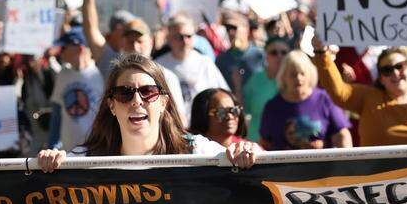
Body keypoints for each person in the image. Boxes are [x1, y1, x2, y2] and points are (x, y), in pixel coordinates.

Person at [36, 54, 255, 170]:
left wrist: (246, 155)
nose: (136, 101)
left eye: (148, 92)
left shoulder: (196, 151)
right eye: (124, 93)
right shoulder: (84, 161)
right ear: (111, 105)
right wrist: (51, 165)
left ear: (164, 103)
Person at [313, 30, 407, 146]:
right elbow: (338, 92)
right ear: (381, 78)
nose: (395, 73)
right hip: (376, 179)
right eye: (387, 70)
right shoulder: (368, 98)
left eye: (400, 66)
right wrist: (322, 53)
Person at [261, 50, 352, 151]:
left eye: (302, 74)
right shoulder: (272, 106)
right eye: (293, 74)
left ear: (310, 75)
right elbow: (264, 143)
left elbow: (342, 135)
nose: (298, 78)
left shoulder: (324, 99)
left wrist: (345, 157)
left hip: (321, 160)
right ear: (283, 77)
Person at [157, 14, 230, 122]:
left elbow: (224, 94)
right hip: (172, 125)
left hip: (203, 124)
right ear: (169, 39)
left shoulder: (205, 63)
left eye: (189, 36)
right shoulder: (159, 65)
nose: (185, 41)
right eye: (179, 37)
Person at [48, 28, 105, 151]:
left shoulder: (100, 75)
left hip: (94, 150)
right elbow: (57, 114)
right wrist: (52, 146)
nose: (60, 52)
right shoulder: (63, 75)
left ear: (80, 48)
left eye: (64, 48)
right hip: (68, 152)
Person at [79, 0, 135, 72]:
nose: (135, 41)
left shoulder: (144, 57)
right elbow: (90, 27)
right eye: (129, 30)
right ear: (118, 29)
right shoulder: (108, 59)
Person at [242, 37, 290, 140]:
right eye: (274, 53)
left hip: (287, 143)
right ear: (266, 56)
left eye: (284, 52)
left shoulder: (297, 79)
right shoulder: (255, 80)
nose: (279, 56)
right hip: (257, 142)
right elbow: (244, 108)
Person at [190, 88, 261, 151]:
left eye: (234, 110)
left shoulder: (249, 150)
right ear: (202, 115)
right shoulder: (189, 148)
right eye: (221, 112)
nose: (230, 117)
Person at [215, 12, 264, 99]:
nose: (230, 32)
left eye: (234, 28)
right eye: (228, 29)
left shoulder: (261, 55)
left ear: (246, 29)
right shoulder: (221, 59)